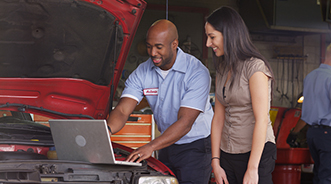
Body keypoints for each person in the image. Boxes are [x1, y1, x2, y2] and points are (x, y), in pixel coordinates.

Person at [107, 19, 213, 184]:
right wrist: (106, 131)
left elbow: (185, 122)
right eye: (149, 46)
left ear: (174, 44)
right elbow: (122, 110)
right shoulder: (142, 72)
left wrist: (151, 146)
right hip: (165, 144)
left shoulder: (197, 72)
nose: (152, 53)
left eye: (159, 47)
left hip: (195, 146)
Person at [205, 6, 276, 184]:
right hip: (227, 152)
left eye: (212, 37)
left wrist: (252, 169)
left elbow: (261, 119)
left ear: (228, 34)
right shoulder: (222, 68)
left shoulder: (255, 68)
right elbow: (218, 117)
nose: (208, 43)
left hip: (256, 154)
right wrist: (215, 161)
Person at [301, 43, 331, 183]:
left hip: (312, 134)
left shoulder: (310, 76)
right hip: (327, 134)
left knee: (319, 174)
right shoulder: (330, 77)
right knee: (327, 177)